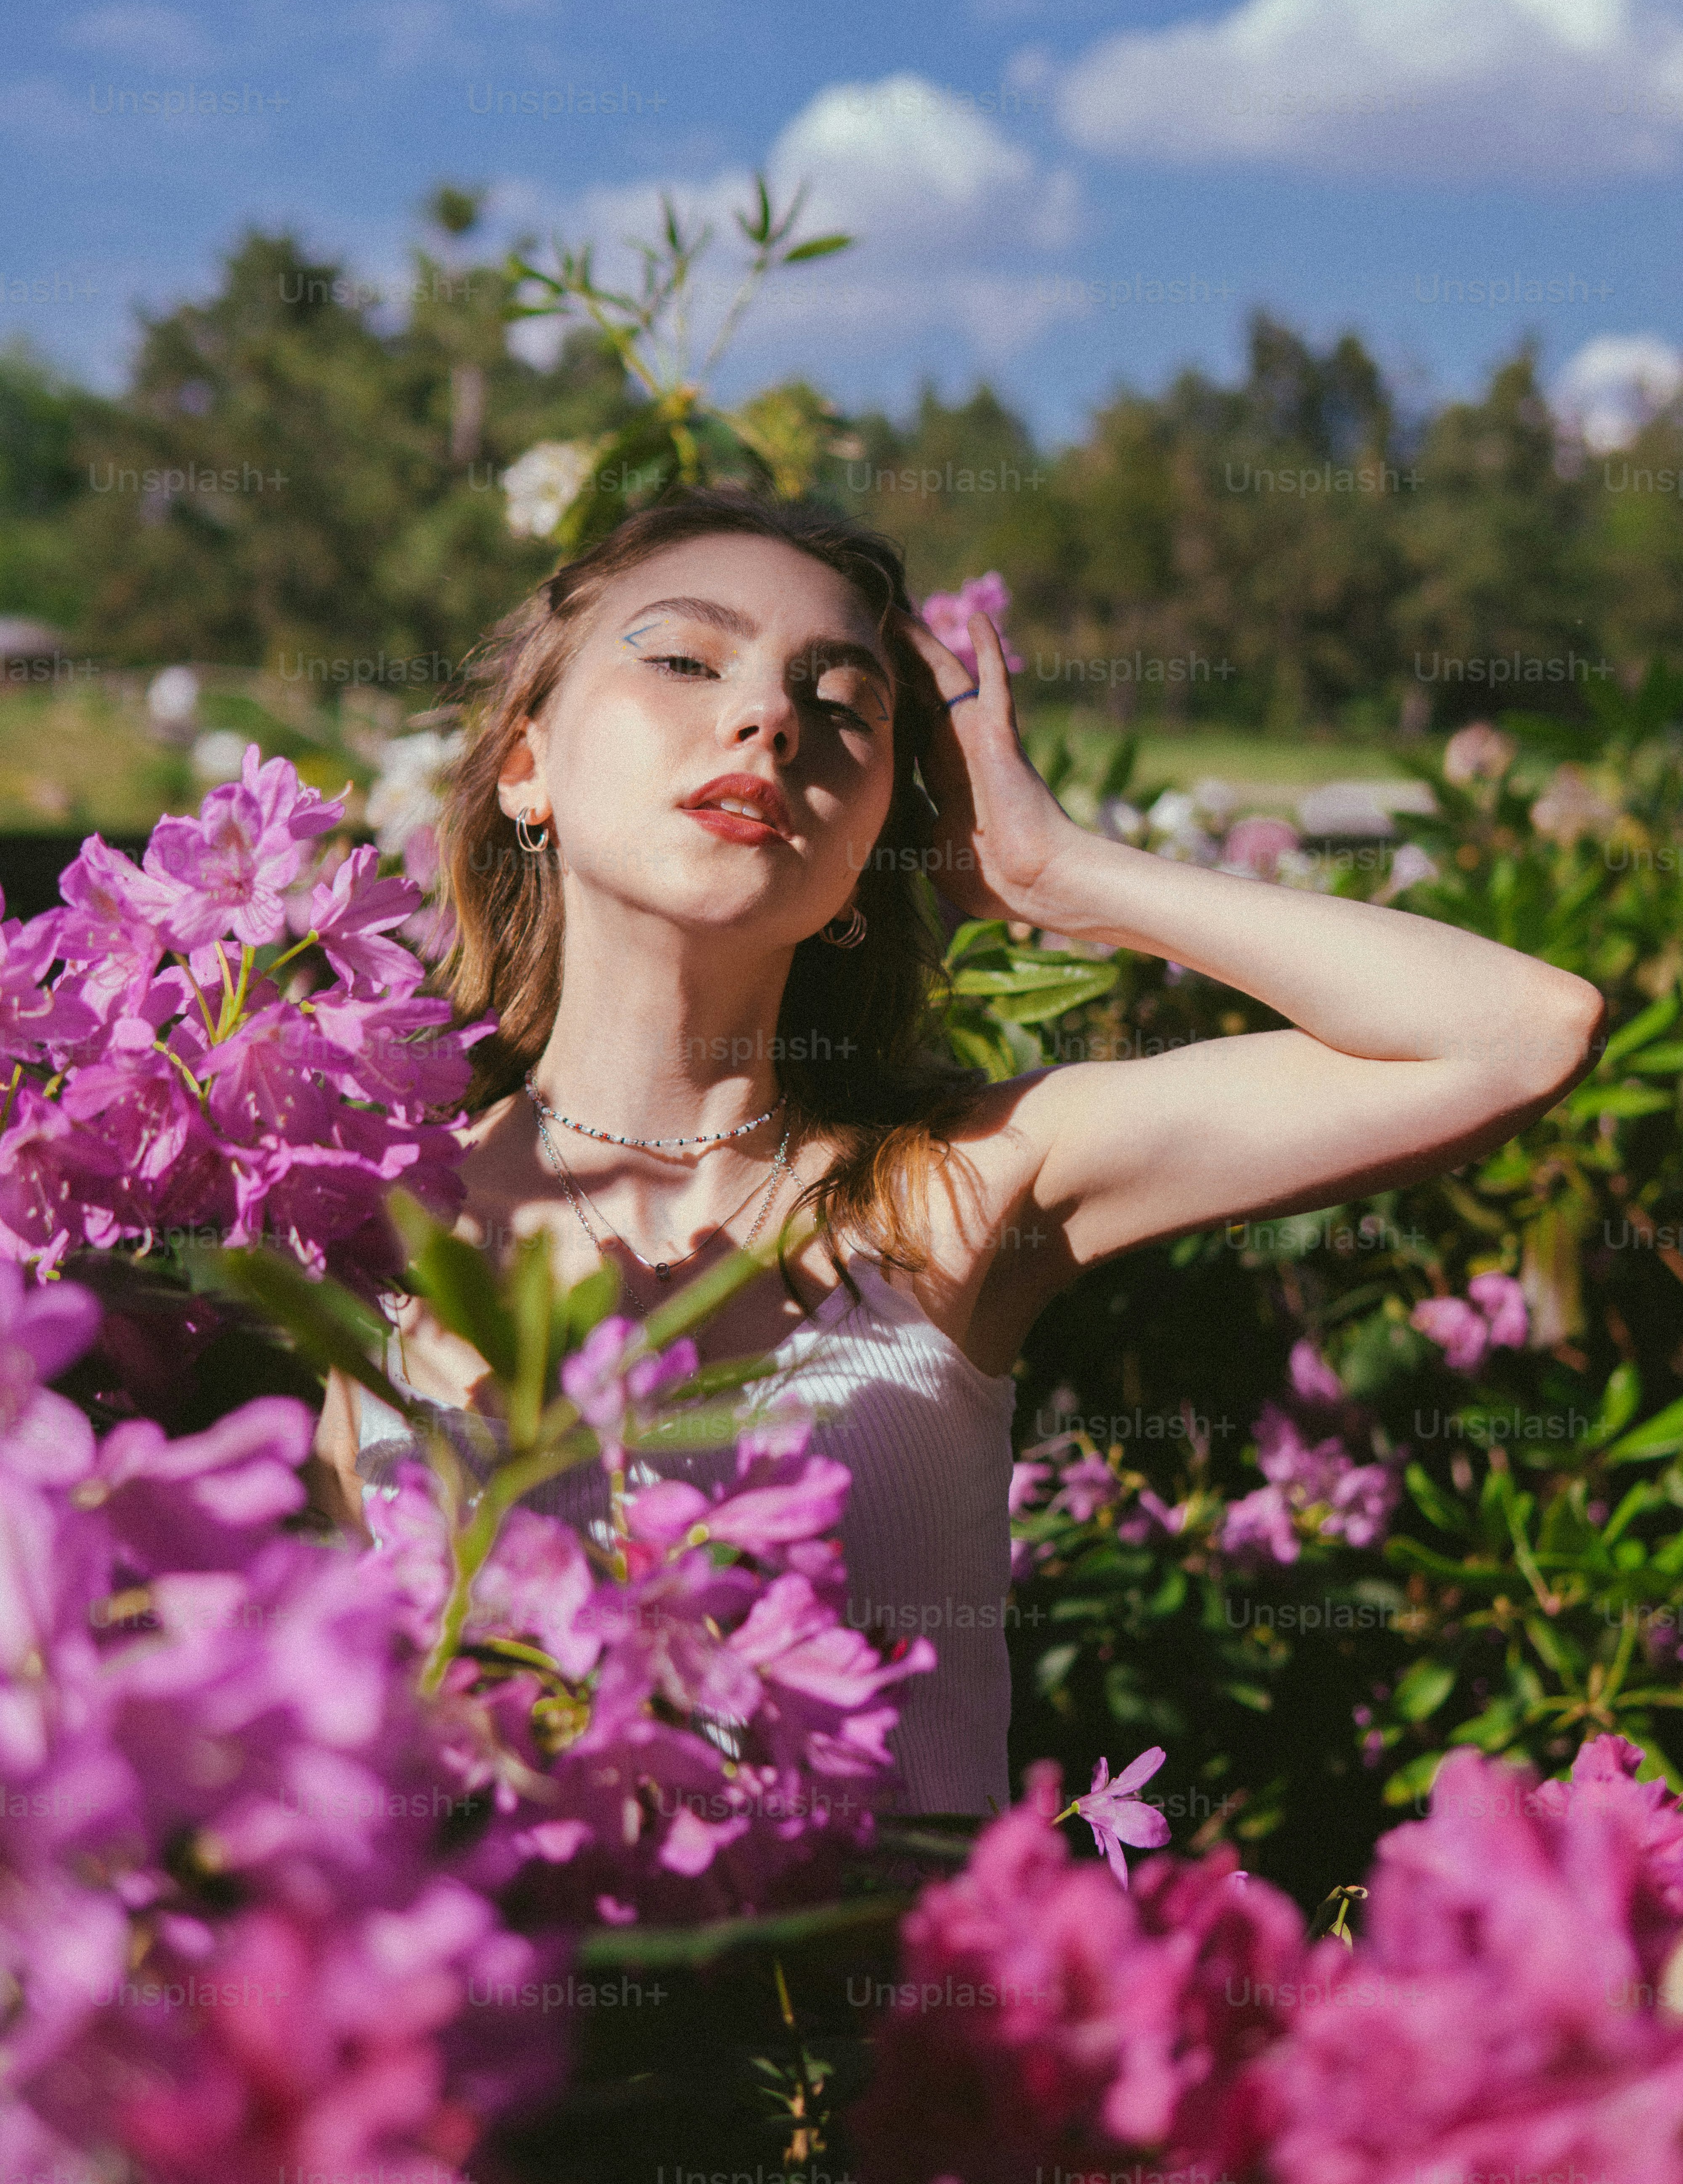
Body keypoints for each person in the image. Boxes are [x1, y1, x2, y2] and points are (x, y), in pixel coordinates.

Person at [312, 485, 1601, 1818]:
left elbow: (1520, 1035)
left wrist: (1050, 873)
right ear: (525, 765)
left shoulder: (963, 1186)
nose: (771, 719)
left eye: (844, 705)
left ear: (879, 831)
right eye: (687, 660)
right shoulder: (360, 1213)